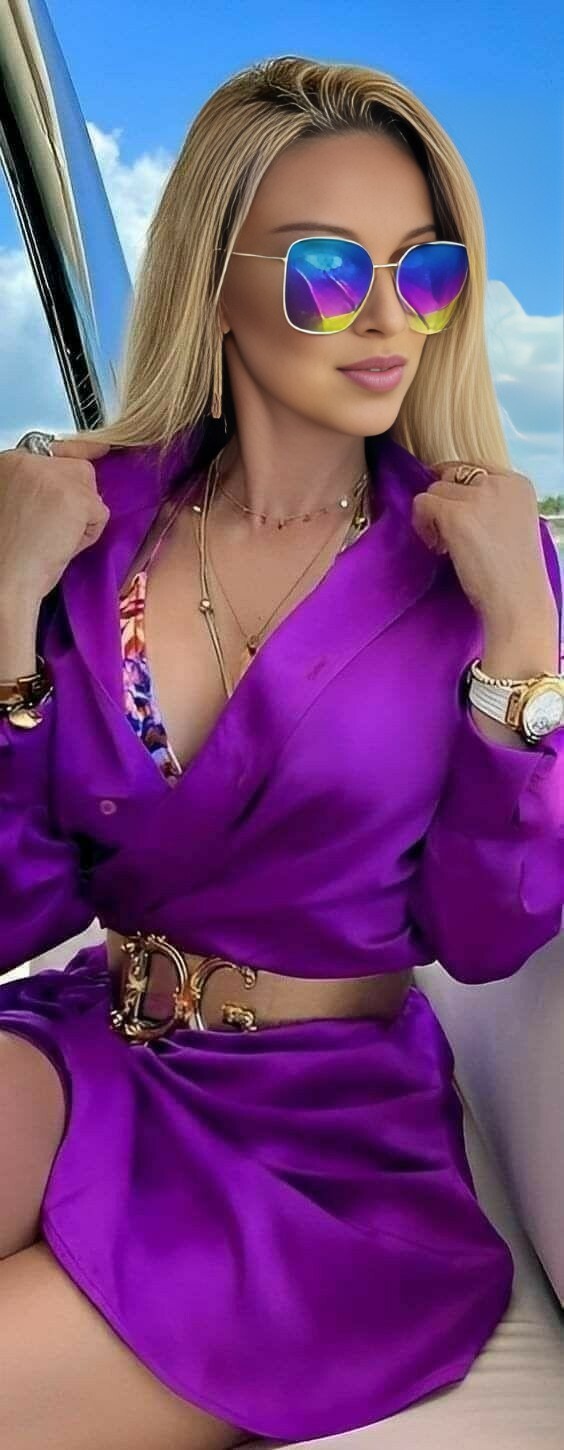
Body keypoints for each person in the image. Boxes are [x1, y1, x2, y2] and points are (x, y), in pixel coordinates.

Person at [0, 53, 563, 1450]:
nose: (388, 318)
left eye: (427, 273)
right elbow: (16, 904)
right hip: (89, 1044)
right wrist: (4, 609)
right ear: (214, 283)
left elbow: (487, 934)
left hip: (318, 1137)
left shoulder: (481, 564)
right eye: (327, 269)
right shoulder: (84, 533)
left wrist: (523, 645)